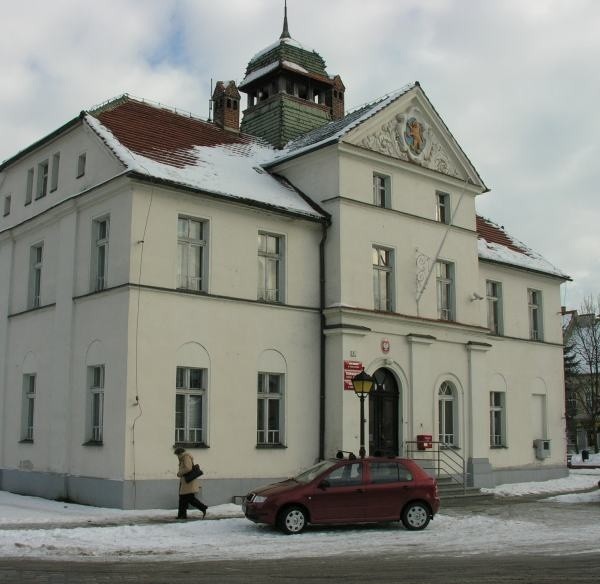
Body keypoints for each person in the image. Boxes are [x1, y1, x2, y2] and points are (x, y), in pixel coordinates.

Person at [174, 447, 208, 520]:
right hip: (185, 481)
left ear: (180, 453)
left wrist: (179, 473)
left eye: (177, 455)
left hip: (188, 481)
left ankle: (203, 507)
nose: (177, 456)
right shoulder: (183, 458)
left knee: (188, 498)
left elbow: (188, 468)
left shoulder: (186, 457)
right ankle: (182, 515)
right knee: (183, 499)